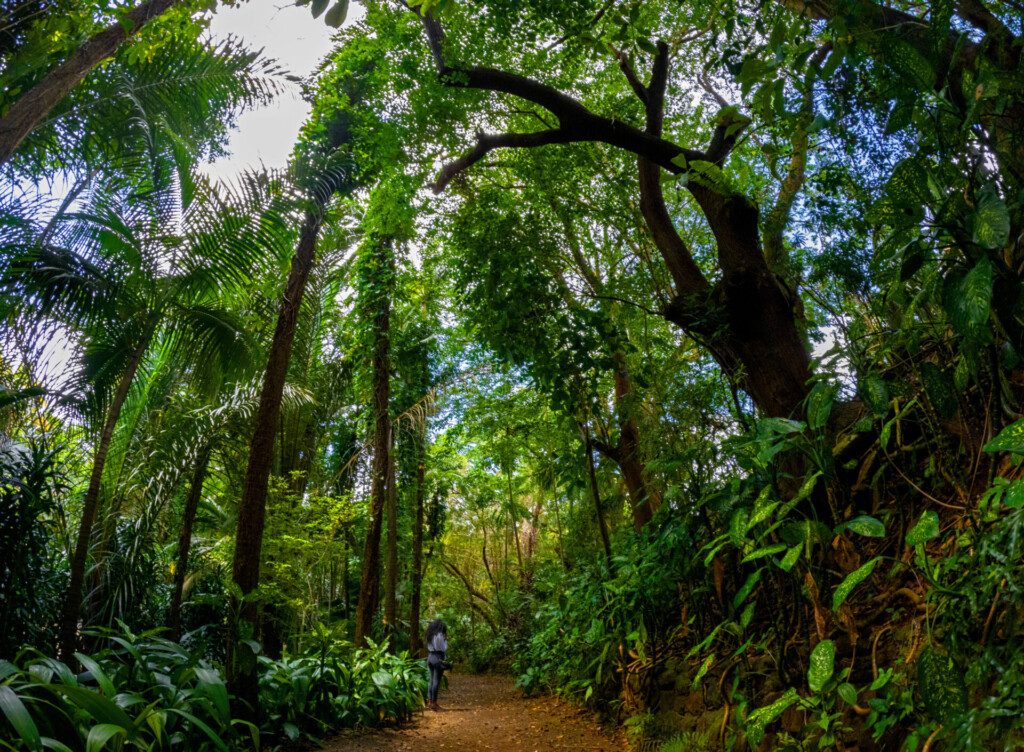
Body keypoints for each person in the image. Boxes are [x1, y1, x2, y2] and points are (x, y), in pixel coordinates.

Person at [425, 619, 449, 711]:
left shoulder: (429, 634)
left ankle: (430, 702)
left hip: (430, 657)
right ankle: (434, 703)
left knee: (431, 681)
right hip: (438, 657)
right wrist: (446, 642)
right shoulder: (439, 635)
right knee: (436, 682)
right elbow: (442, 648)